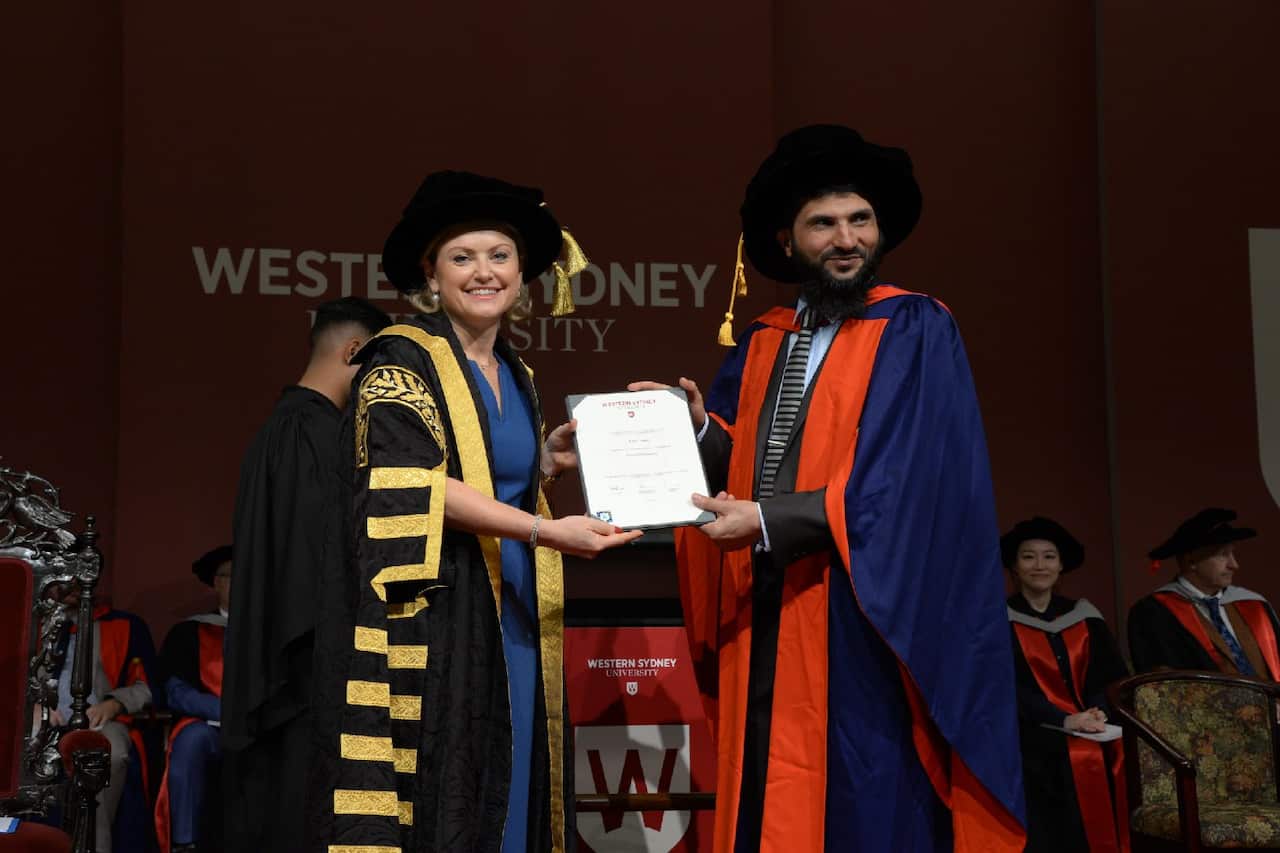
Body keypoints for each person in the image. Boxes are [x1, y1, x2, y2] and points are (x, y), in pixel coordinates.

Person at [633, 125, 1025, 851]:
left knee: (865, 785)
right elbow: (740, 460)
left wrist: (768, 519)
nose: (846, 238)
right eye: (824, 223)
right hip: (771, 602)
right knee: (765, 785)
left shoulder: (914, 325)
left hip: (867, 605)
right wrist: (693, 432)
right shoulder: (762, 337)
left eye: (860, 220)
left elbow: (912, 480)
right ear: (789, 240)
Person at [308, 170, 641, 853]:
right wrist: (546, 529)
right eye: (463, 257)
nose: (483, 272)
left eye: (499, 256)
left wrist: (544, 462)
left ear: (522, 274)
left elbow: (484, 473)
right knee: (449, 785)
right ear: (431, 273)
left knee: (514, 781)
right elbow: (413, 482)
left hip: (514, 608)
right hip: (441, 618)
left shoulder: (516, 372)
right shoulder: (398, 359)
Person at [222, 296, 391, 852]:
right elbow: (314, 562)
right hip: (307, 666)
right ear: (355, 351)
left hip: (290, 660)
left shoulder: (285, 427)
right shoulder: (311, 433)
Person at [1003, 517, 1129, 853]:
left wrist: (1097, 711)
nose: (1039, 565)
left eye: (1049, 557)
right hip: (1028, 742)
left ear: (1061, 567)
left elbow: (1109, 676)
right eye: (1028, 557)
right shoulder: (997, 620)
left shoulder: (1084, 615)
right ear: (1014, 567)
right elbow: (1003, 688)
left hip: (1089, 733)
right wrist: (1061, 719)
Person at [51, 587, 156, 853]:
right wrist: (37, 703)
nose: (69, 586)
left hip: (101, 720)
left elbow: (146, 685)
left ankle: (95, 848)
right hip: (46, 720)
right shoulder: (41, 623)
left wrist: (115, 703)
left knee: (111, 755)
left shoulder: (125, 625)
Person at [1128, 507, 1280, 677]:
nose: (1234, 565)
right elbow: (1164, 685)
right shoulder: (1153, 613)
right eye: (1223, 555)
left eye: (1232, 553)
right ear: (1191, 560)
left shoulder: (1255, 605)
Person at [155, 545, 231, 853]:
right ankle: (184, 843)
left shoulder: (272, 633)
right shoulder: (189, 631)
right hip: (208, 725)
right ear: (215, 582)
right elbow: (174, 690)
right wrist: (226, 711)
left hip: (259, 726)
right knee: (191, 740)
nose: (238, 583)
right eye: (229, 576)